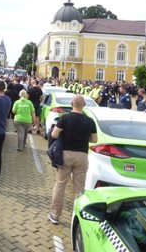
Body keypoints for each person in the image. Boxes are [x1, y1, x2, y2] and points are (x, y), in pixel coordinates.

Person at [48, 94, 97, 225]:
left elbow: (54, 134)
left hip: (66, 154)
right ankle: (77, 217)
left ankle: (55, 215)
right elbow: (94, 139)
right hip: (82, 156)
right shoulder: (90, 121)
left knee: (60, 184)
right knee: (79, 188)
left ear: (71, 104)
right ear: (84, 106)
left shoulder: (65, 118)